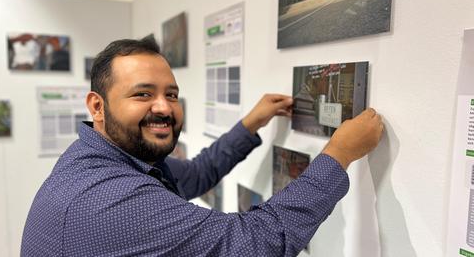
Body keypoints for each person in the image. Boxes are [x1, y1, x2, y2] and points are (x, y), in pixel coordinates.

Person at [21, 36, 383, 256]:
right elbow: (255, 244)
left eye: (171, 94)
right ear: (97, 107)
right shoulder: (111, 199)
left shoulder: (110, 158)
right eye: (143, 94)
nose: (163, 107)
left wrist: (250, 124)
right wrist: (339, 154)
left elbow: (193, 176)